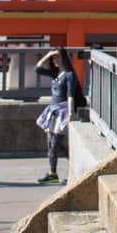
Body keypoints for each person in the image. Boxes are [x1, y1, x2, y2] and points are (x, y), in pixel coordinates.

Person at [33, 49, 79, 185]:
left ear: (64, 58)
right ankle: (53, 172)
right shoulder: (56, 74)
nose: (55, 60)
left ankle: (55, 172)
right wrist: (47, 55)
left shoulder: (69, 75)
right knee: (51, 143)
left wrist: (70, 113)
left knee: (56, 143)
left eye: (58, 57)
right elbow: (37, 69)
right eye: (54, 58)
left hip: (62, 110)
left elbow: (70, 95)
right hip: (52, 111)